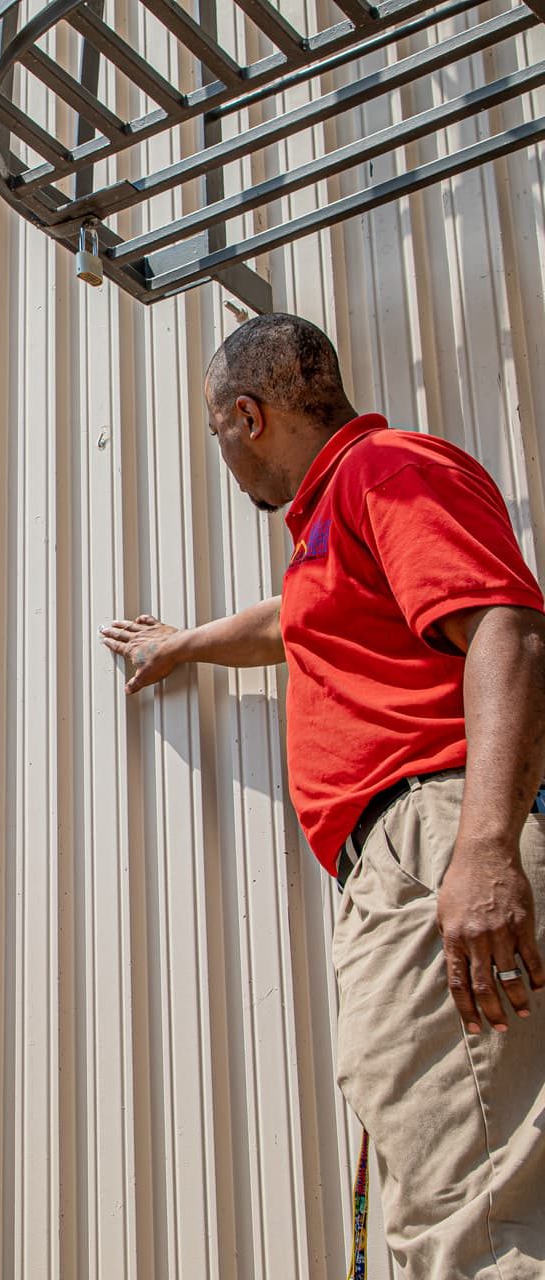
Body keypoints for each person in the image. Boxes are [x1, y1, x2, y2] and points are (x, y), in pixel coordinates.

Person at [100, 313, 545, 1279]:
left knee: (470, 1208)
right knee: (445, 1173)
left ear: (247, 416)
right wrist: (182, 644)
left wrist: (482, 849)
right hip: (420, 852)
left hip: (437, 836)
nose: (223, 456)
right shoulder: (343, 514)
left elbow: (506, 631)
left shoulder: (387, 470)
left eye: (216, 433)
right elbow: (290, 621)